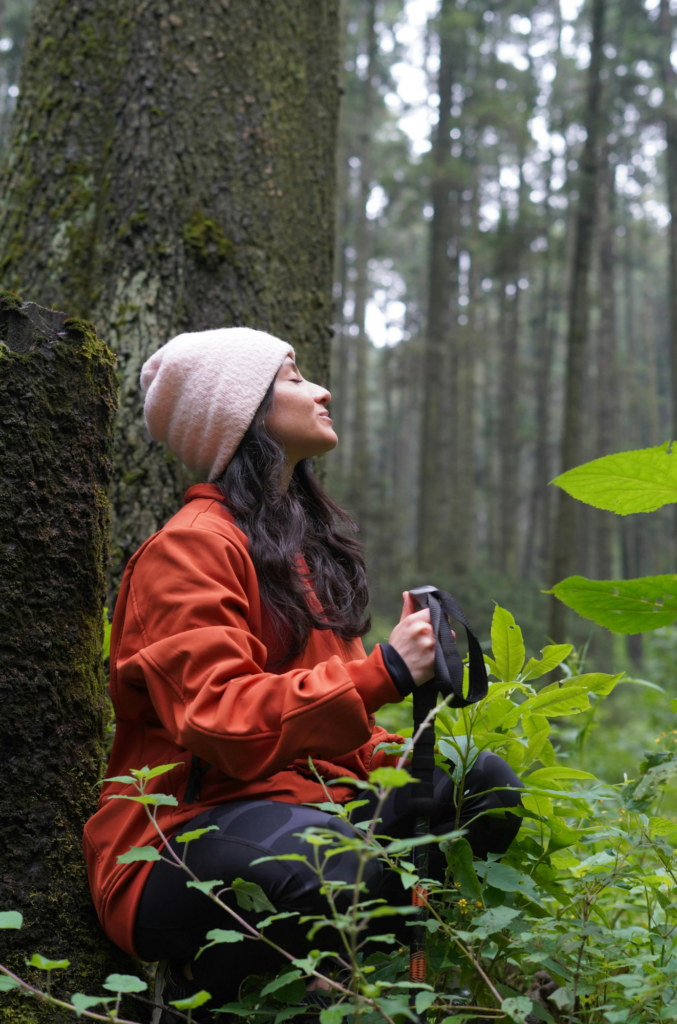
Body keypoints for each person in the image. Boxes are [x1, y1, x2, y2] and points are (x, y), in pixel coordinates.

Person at [83, 328, 522, 1022]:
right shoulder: (190, 547)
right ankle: (206, 1004)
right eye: (291, 378)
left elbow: (334, 734)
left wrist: (402, 759)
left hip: (306, 816)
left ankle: (329, 985)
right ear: (243, 413)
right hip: (173, 842)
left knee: (482, 787)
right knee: (332, 862)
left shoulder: (295, 556)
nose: (318, 390)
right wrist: (383, 670)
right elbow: (219, 720)